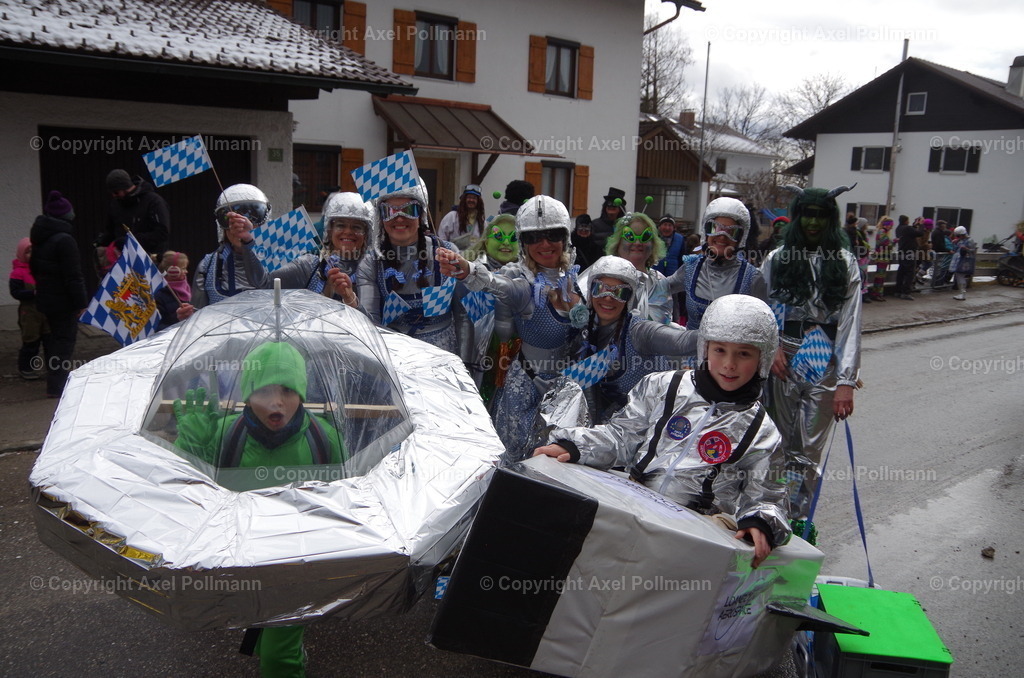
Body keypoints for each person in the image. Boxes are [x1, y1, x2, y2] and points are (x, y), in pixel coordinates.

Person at [534, 294, 790, 568]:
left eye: (744, 353)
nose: (729, 364)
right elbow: (621, 437)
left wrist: (761, 522)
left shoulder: (762, 431)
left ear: (763, 358)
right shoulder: (662, 386)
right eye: (720, 350)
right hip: (635, 506)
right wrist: (575, 446)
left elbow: (767, 495)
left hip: (700, 534)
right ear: (704, 347)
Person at [172, 341, 345, 677]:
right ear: (247, 394)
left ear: (302, 393)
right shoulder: (224, 434)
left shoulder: (324, 439)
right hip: (242, 554)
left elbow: (346, 500)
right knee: (260, 617)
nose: (276, 402)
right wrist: (191, 446)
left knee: (279, 657)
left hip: (297, 560)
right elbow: (184, 493)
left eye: (288, 391)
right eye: (264, 391)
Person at [436, 195, 584, 462]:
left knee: (560, 463)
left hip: (566, 391)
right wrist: (466, 269)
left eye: (553, 235)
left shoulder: (576, 280)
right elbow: (496, 284)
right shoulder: (523, 286)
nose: (544, 244)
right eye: (533, 237)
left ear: (565, 238)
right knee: (520, 461)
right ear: (523, 243)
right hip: (527, 390)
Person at [760, 184, 861, 524]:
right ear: (797, 217)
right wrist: (771, 349)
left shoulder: (845, 263)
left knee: (807, 451)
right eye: (807, 215)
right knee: (774, 443)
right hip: (782, 361)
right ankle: (766, 513)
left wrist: (846, 381)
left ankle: (796, 521)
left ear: (830, 219)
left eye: (820, 216)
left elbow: (850, 322)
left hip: (824, 364)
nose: (813, 223)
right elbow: (763, 308)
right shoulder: (777, 259)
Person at [569, 256, 697, 424]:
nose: (608, 297)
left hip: (650, 423)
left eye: (619, 292)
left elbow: (682, 342)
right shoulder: (583, 330)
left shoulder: (638, 331)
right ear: (590, 291)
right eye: (600, 288)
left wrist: (717, 333)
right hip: (604, 425)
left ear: (629, 298)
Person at [358, 179, 463, 353]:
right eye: (389, 211)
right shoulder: (372, 263)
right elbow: (370, 324)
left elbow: (463, 315)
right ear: (380, 218)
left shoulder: (447, 253)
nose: (399, 218)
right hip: (396, 356)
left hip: (444, 357)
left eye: (408, 209)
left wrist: (466, 362)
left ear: (421, 214)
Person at [667, 197, 768, 333]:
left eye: (731, 232)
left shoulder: (752, 278)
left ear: (740, 238)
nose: (722, 236)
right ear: (706, 232)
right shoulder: (691, 268)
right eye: (715, 228)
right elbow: (656, 289)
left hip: (730, 347)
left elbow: (762, 327)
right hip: (690, 346)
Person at [29, 190, 88, 398]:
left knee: (53, 340)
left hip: (46, 298)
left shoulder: (39, 237)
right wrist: (81, 302)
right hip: (64, 301)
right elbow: (73, 275)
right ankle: (58, 386)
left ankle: (54, 380)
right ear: (66, 215)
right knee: (64, 341)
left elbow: (34, 267)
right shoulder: (65, 241)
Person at [267, 192, 371, 309]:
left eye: (357, 227)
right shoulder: (310, 265)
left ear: (367, 234)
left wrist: (350, 298)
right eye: (340, 225)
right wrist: (247, 245)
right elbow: (263, 281)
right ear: (330, 231)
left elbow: (373, 319)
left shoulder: (374, 271)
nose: (348, 232)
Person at [192, 184, 272, 309]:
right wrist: (189, 315)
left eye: (253, 217)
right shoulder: (207, 267)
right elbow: (199, 315)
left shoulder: (281, 259)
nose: (240, 227)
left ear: (265, 221)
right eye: (229, 219)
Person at [603, 212, 672, 324]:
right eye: (629, 236)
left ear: (653, 244)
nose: (638, 242)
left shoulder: (660, 281)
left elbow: (663, 322)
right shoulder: (604, 277)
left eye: (645, 236)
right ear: (618, 243)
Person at [96, 168, 171, 258]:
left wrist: (130, 241)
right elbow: (110, 230)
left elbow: (162, 233)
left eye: (116, 192)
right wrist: (102, 242)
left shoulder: (153, 201)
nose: (114, 195)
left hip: (149, 258)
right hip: (124, 258)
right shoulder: (116, 204)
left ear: (124, 187)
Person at [9, 237, 49, 380]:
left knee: (49, 340)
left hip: (45, 310)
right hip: (29, 312)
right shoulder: (18, 273)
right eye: (28, 252)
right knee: (31, 341)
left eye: (34, 251)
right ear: (21, 254)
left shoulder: (42, 269)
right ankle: (26, 368)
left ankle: (52, 367)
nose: (32, 254)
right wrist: (32, 293)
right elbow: (15, 292)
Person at [437, 184, 486, 250]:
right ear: (464, 199)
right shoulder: (452, 216)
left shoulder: (481, 221)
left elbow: (485, 241)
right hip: (453, 254)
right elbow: (442, 237)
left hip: (473, 255)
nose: (471, 200)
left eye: (474, 198)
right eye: (469, 197)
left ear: (478, 201)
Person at [155, 251, 195, 330]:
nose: (186, 271)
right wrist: (179, 322)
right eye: (183, 268)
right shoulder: (159, 294)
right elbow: (158, 325)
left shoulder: (185, 287)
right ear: (173, 270)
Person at [589, 187, 627, 252]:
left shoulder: (625, 225)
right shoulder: (594, 225)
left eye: (615, 204)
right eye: (609, 204)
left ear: (621, 208)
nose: (611, 206)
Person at [894, 214, 922, 300]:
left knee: (901, 272)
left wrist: (915, 225)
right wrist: (921, 225)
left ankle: (898, 291)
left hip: (901, 252)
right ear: (906, 221)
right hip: (909, 253)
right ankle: (906, 292)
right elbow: (919, 233)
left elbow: (910, 232)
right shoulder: (907, 228)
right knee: (909, 273)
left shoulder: (898, 228)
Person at [844, 215, 871, 304]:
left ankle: (862, 293)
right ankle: (861, 294)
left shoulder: (859, 232)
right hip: (859, 257)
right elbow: (856, 244)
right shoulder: (856, 233)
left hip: (861, 256)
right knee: (861, 275)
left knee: (862, 275)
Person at [868, 215, 894, 302]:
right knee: (879, 276)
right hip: (881, 257)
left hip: (885, 257)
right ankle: (876, 293)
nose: (891, 227)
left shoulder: (884, 232)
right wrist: (893, 242)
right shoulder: (882, 232)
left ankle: (879, 293)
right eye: (890, 225)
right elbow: (885, 243)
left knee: (882, 277)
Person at [950, 226, 977, 301]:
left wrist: (966, 249)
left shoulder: (969, 240)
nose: (959, 237)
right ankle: (962, 293)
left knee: (960, 276)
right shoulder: (961, 240)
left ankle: (962, 293)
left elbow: (973, 251)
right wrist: (955, 243)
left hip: (965, 260)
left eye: (959, 236)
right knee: (959, 276)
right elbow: (956, 249)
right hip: (959, 259)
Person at [930, 220, 953, 290]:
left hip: (937, 252)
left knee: (937, 269)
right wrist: (948, 250)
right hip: (939, 253)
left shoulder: (935, 232)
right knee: (940, 269)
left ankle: (936, 284)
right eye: (944, 225)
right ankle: (938, 284)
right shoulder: (939, 233)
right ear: (941, 225)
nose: (945, 226)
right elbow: (939, 244)